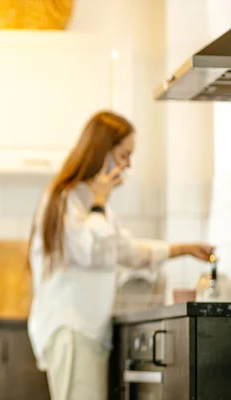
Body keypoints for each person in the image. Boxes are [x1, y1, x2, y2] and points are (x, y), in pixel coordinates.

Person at [27, 110, 214, 400]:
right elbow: (93, 250)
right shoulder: (66, 199)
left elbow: (123, 250)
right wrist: (101, 202)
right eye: (124, 155)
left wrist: (182, 249)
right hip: (72, 331)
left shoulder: (87, 200)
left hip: (85, 331)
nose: (127, 165)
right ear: (102, 152)